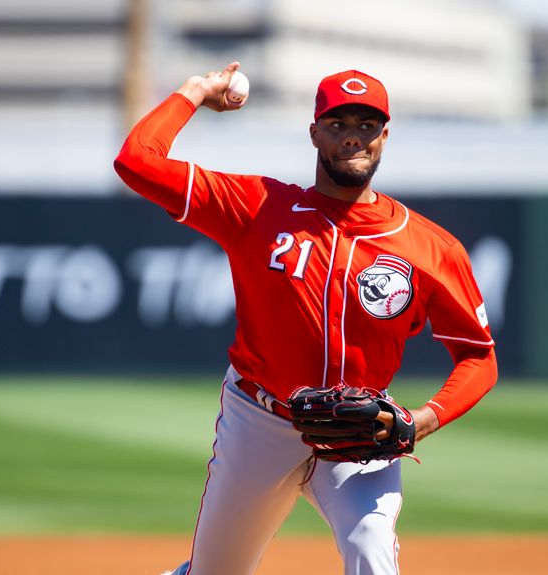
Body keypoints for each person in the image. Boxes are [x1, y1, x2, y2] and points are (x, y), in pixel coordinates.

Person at [114, 62, 498, 575]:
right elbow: (136, 162)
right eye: (338, 124)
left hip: (362, 434)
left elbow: (478, 357)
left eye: (366, 125)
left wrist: (420, 422)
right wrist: (194, 91)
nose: (353, 138)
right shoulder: (258, 208)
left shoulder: (430, 248)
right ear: (314, 131)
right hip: (259, 422)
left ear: (385, 135)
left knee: (372, 554)